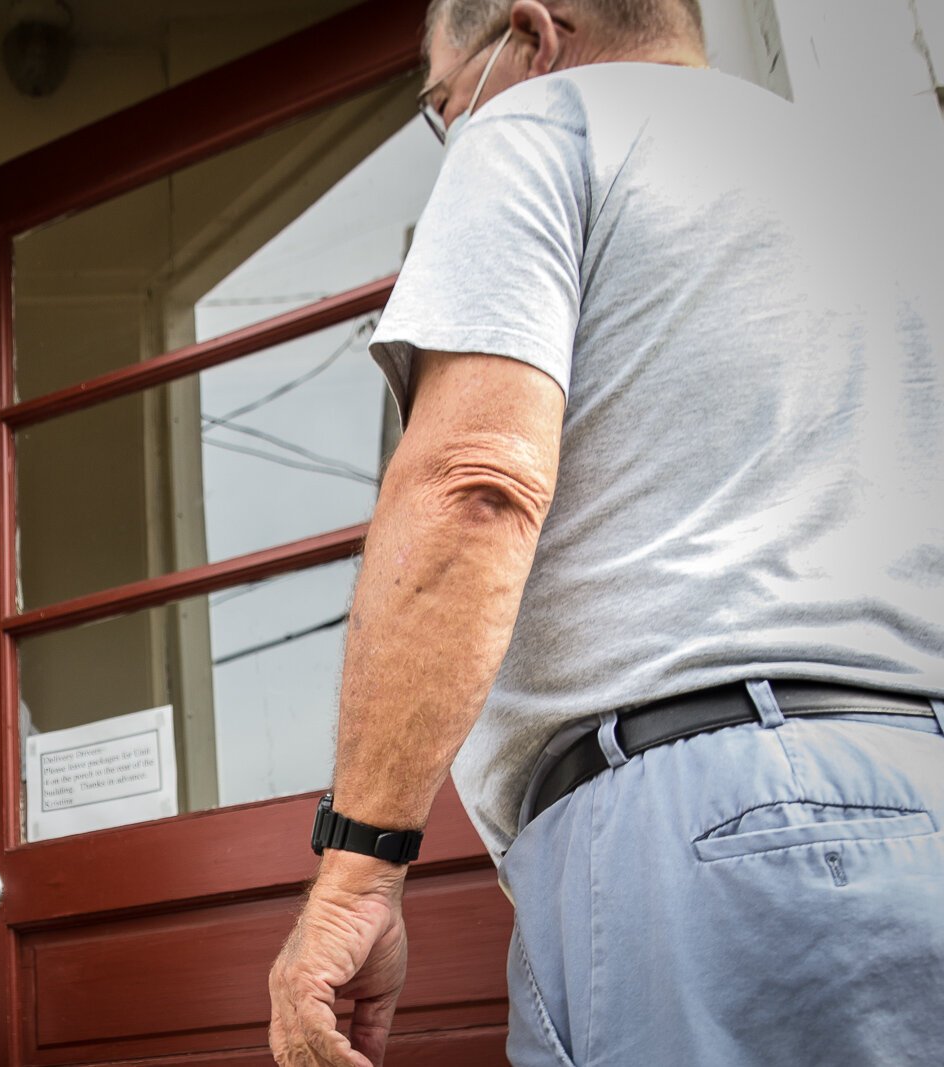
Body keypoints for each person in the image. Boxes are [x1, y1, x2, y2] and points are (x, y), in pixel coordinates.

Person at [268, 1, 944, 1064]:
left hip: (710, 825)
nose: (454, 128)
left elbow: (474, 487)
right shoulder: (875, 187)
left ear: (530, 39)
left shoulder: (546, 123)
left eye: (442, 101)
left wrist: (356, 870)